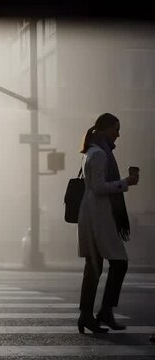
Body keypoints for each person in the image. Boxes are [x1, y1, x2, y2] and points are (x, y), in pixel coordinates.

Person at [77, 113, 139, 334]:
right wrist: (125, 182)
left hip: (95, 216)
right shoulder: (100, 154)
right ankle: (102, 311)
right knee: (118, 263)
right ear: (106, 129)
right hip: (98, 218)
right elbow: (98, 187)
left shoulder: (92, 151)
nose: (118, 134)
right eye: (116, 128)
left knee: (94, 268)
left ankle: (89, 314)